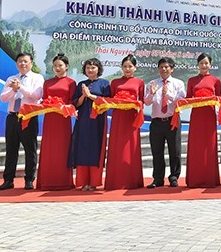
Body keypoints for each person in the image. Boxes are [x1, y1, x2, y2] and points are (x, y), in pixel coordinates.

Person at [0, 53, 44, 191]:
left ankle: (29, 179)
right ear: (16, 63)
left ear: (31, 63)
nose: (22, 64)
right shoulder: (12, 79)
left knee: (30, 149)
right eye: (20, 61)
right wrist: (13, 89)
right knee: (11, 149)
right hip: (12, 117)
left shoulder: (37, 77)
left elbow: (37, 95)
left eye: (25, 61)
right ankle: (8, 180)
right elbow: (3, 98)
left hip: (28, 116)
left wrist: (21, 88)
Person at [143, 57, 186, 188]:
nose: (164, 69)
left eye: (166, 67)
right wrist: (151, 93)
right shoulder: (152, 83)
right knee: (157, 151)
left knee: (175, 151)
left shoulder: (178, 84)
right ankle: (158, 179)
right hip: (156, 122)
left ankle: (174, 177)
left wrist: (169, 96)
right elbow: (147, 102)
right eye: (161, 67)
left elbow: (182, 101)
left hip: (172, 120)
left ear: (172, 69)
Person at [69, 58, 111, 191]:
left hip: (98, 121)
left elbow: (107, 102)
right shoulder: (81, 84)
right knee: (82, 148)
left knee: (95, 149)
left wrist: (90, 95)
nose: (90, 70)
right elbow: (75, 103)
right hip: (83, 120)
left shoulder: (104, 84)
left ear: (98, 69)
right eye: (88, 68)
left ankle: (94, 182)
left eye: (93, 67)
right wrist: (83, 96)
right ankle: (82, 182)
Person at [105, 54, 145, 190]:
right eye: (125, 66)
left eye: (130, 66)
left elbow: (142, 101)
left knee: (131, 147)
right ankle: (115, 181)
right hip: (118, 118)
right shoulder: (115, 82)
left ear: (135, 67)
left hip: (132, 118)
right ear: (121, 67)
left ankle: (132, 180)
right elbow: (110, 99)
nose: (127, 69)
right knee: (117, 147)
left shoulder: (139, 82)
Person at [37, 53, 76, 190]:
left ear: (66, 67)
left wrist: (63, 107)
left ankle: (63, 181)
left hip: (63, 119)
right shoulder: (47, 83)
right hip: (50, 119)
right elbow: (44, 99)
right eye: (55, 66)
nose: (57, 68)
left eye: (60, 65)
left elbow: (72, 102)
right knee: (49, 148)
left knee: (62, 148)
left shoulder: (71, 83)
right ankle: (47, 181)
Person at [185, 53, 221, 188]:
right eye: (201, 63)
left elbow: (220, 98)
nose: (204, 66)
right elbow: (188, 98)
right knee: (196, 146)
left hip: (209, 116)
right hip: (196, 117)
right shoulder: (191, 81)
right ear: (198, 65)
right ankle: (195, 179)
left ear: (210, 65)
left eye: (206, 63)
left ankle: (210, 179)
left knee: (209, 145)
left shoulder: (216, 80)